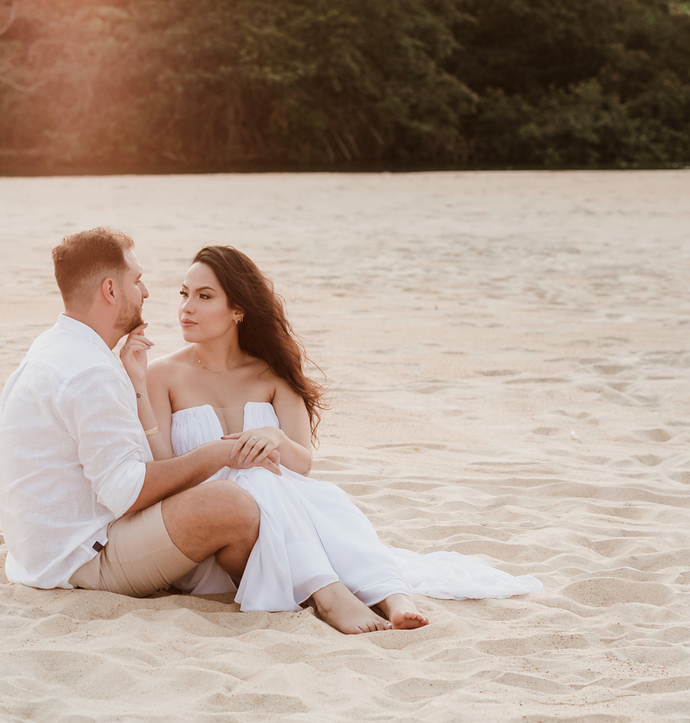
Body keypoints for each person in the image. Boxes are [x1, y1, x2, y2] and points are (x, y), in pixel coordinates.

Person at [119, 245, 544, 632]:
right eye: (183, 294)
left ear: (238, 310)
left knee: (329, 499)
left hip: (286, 519)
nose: (186, 308)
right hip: (217, 534)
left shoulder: (271, 374)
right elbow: (164, 468)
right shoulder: (161, 374)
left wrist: (273, 437)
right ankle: (330, 593)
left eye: (204, 296)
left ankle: (393, 598)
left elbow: (301, 464)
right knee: (256, 477)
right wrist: (137, 384)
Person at [0, 228, 272, 603]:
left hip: (47, 549)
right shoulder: (90, 371)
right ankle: (284, 587)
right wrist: (218, 454)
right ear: (110, 290)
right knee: (232, 504)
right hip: (81, 558)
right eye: (137, 280)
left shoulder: (57, 346)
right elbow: (126, 491)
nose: (146, 292)